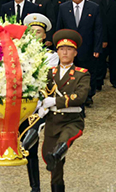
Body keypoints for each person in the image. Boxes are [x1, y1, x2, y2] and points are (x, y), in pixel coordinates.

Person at [39, 29, 90, 192]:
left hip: (71, 120)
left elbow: (80, 97)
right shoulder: (49, 73)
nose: (65, 52)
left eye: (69, 49)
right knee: (52, 160)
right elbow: (41, 92)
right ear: (57, 52)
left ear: (75, 53)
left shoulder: (82, 74)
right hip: (52, 121)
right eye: (61, 49)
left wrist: (55, 101)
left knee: (60, 147)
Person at [20, 13, 57, 192]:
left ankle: (56, 183)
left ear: (44, 36)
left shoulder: (51, 56)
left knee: (49, 147)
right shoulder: (18, 55)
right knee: (30, 149)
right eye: (31, 31)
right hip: (23, 107)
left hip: (44, 106)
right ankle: (35, 187)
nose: (35, 34)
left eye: (39, 32)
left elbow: (44, 80)